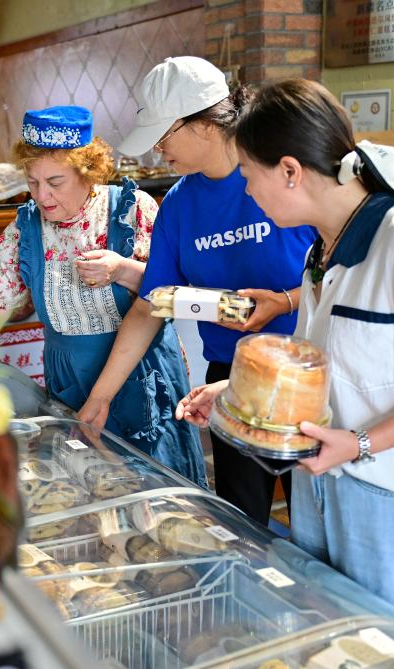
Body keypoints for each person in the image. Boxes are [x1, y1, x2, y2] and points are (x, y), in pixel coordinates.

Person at [179, 78, 394, 633]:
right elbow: (332, 364)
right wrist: (238, 393)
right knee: (345, 642)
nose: (245, 189)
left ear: (289, 170)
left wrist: (361, 443)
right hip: (327, 488)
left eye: (248, 174)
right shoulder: (323, 248)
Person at [78, 57, 316, 525]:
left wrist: (284, 302)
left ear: (205, 124)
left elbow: (344, 279)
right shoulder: (180, 204)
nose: (157, 151)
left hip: (307, 369)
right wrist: (100, 397)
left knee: (316, 524)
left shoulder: (285, 176)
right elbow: (151, 305)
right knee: (242, 524)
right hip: (231, 374)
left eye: (164, 136)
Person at [0, 105, 205, 484]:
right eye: (33, 182)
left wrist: (122, 269)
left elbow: (174, 293)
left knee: (157, 490)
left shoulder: (132, 210)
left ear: (87, 172)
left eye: (55, 182)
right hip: (71, 379)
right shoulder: (23, 229)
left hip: (141, 375)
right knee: (89, 486)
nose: (42, 196)